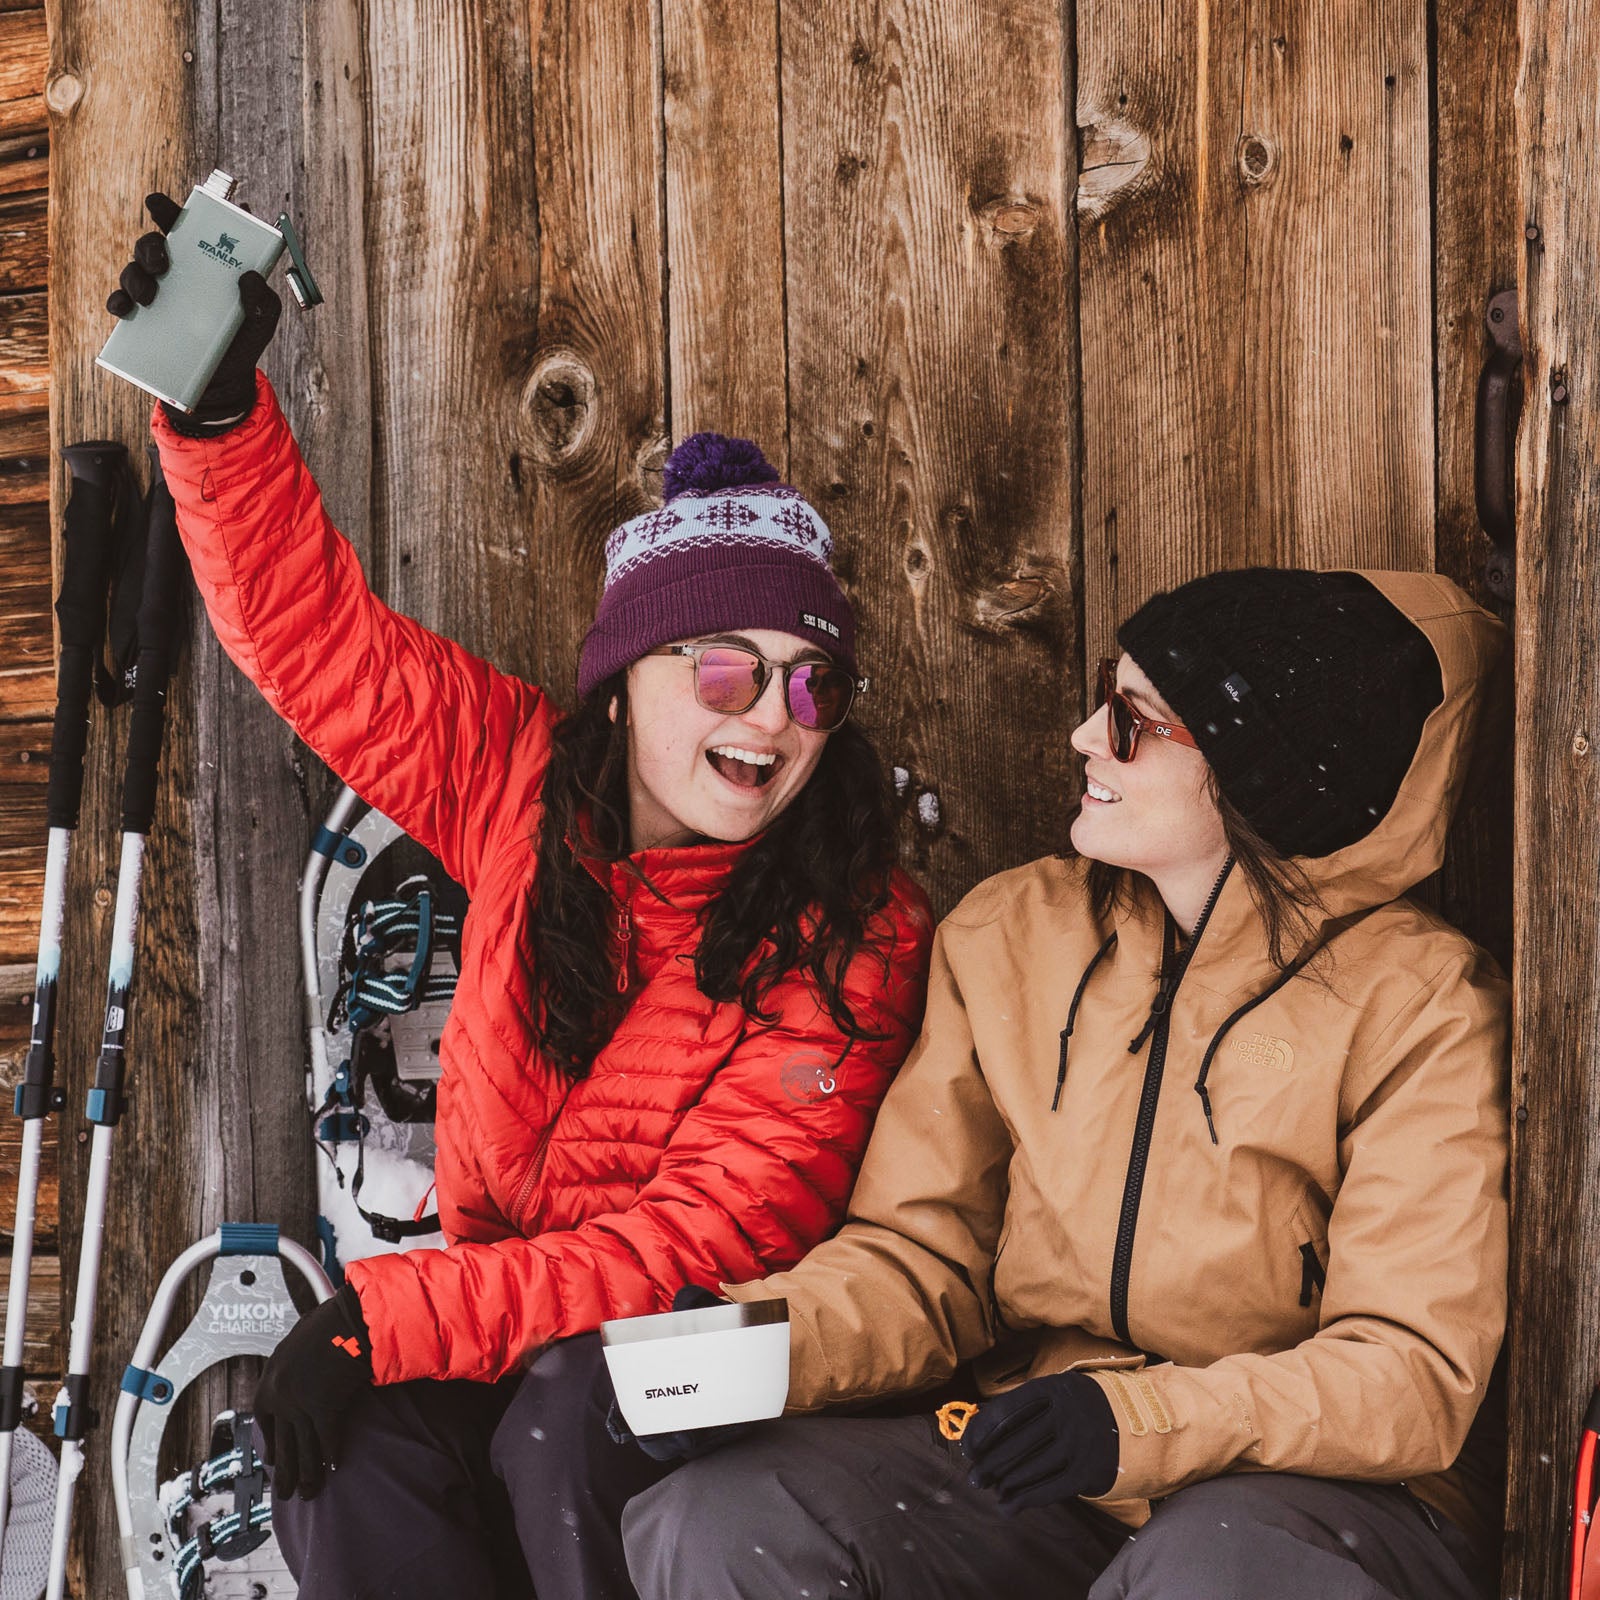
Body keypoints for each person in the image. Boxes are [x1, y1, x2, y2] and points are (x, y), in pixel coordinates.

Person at [109, 201, 933, 1600]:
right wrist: (217, 414)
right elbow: (320, 649)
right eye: (723, 669)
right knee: (353, 1452)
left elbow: (690, 1251)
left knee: (559, 1417)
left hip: (711, 1374)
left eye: (811, 685)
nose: (770, 717)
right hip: (519, 1329)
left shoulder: (850, 933)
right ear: (622, 684)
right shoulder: (519, 781)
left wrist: (382, 1315)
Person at [621, 567, 1510, 1600]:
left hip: (1307, 1499)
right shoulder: (1016, 935)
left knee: (1212, 1563)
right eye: (1103, 695)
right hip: (1050, 1463)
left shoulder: (1420, 1006)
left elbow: (1408, 1368)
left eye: (1133, 722)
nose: (1087, 736)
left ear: (1257, 777)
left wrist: (1141, 1421)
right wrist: (764, 1350)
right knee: (733, 1516)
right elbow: (926, 1257)